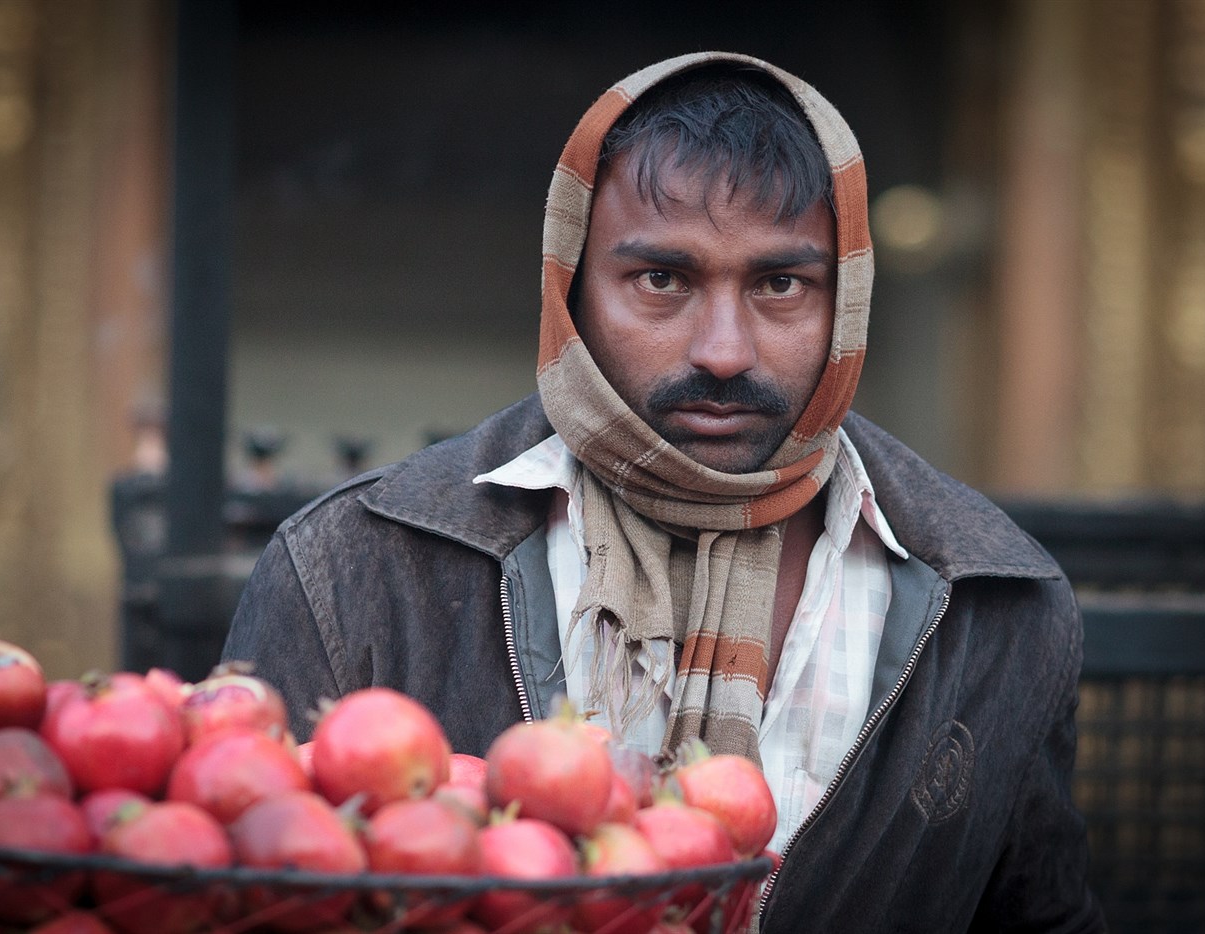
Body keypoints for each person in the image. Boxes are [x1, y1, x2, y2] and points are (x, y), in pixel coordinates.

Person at [223, 51, 1104, 932]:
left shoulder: (997, 602)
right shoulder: (355, 567)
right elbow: (236, 891)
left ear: (849, 300)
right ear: (569, 286)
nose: (723, 351)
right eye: (662, 280)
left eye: (781, 284)